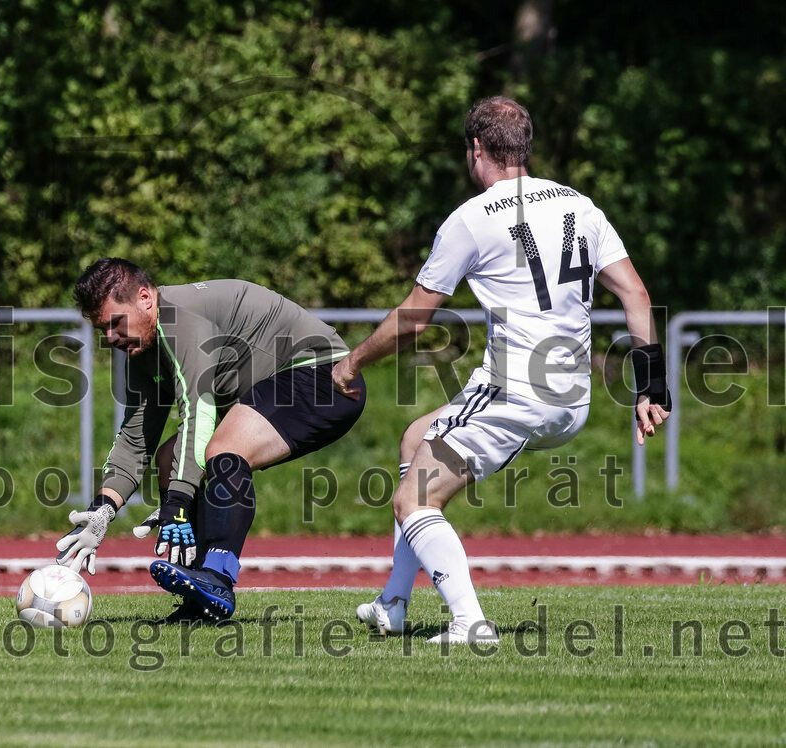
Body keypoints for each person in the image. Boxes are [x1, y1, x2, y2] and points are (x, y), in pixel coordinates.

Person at [332, 96, 671, 645]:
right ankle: (394, 602)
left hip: (518, 392)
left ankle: (469, 623)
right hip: (571, 398)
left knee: (414, 499)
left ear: (477, 149)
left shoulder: (469, 219)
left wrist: (350, 363)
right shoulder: (580, 206)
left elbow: (413, 320)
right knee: (416, 438)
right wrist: (651, 386)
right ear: (525, 147)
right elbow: (636, 293)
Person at [56, 258, 366, 621]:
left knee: (221, 449)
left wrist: (178, 500)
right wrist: (102, 510)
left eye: (114, 323)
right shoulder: (143, 345)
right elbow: (137, 436)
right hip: (276, 388)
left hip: (326, 378)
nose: (110, 338)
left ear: (145, 298)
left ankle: (217, 575)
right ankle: (201, 597)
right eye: (101, 330)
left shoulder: (179, 320)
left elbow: (198, 413)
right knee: (170, 457)